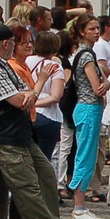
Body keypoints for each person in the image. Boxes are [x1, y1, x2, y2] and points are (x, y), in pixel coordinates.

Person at [0, 22, 84, 219]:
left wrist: (30, 92)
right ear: (5, 44)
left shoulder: (3, 65)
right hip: (2, 136)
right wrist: (41, 80)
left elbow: (26, 93)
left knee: (45, 176)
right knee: (28, 185)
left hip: (18, 133)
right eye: (14, 42)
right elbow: (21, 100)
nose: (17, 46)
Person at [65, 13, 108, 219]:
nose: (96, 32)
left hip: (87, 109)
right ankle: (79, 205)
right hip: (89, 108)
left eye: (97, 28)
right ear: (82, 31)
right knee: (86, 157)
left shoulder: (83, 53)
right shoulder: (87, 56)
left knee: (86, 155)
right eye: (92, 29)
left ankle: (80, 204)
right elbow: (97, 87)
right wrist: (106, 84)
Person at [25, 29, 67, 162]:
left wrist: (30, 104)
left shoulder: (25, 61)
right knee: (44, 160)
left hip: (27, 114)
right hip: (48, 116)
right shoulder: (55, 67)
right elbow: (55, 96)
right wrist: (36, 102)